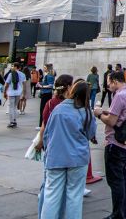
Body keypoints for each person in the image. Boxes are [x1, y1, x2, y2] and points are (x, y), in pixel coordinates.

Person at [40, 81, 97, 219]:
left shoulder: (58, 109)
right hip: (77, 158)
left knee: (51, 195)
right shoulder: (86, 112)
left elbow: (47, 133)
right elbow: (90, 134)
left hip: (56, 157)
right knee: (75, 196)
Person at [95, 70, 126, 219]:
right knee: (122, 178)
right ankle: (122, 212)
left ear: (114, 81)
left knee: (115, 181)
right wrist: (108, 111)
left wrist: (99, 114)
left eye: (108, 82)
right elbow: (124, 116)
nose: (107, 85)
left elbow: (112, 121)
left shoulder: (119, 96)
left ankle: (118, 214)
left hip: (115, 142)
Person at [35, 74, 76, 215]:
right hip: (70, 152)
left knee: (48, 187)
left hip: (53, 149)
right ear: (68, 87)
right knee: (62, 189)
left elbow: (44, 126)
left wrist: (41, 142)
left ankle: (42, 214)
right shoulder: (74, 105)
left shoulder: (51, 104)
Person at [4, 61, 26, 128]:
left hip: (11, 92)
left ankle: (12, 122)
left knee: (11, 107)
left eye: (13, 66)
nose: (12, 67)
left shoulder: (11, 74)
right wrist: (24, 94)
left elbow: (7, 84)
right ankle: (15, 121)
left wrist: (5, 92)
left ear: (16, 67)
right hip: (18, 92)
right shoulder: (22, 74)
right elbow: (24, 85)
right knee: (15, 107)